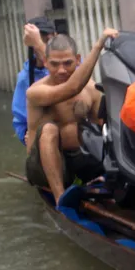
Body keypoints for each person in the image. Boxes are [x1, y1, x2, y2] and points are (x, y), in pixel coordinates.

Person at [25, 28, 118, 203]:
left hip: (78, 162)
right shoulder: (35, 92)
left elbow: (104, 131)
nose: (61, 70)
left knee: (105, 130)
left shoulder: (91, 89)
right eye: (54, 64)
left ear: (77, 60)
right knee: (50, 130)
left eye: (67, 63)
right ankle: (61, 199)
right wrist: (98, 46)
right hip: (42, 170)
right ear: (45, 62)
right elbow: (72, 88)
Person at [12, 16, 57, 145]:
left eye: (49, 40)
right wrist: (26, 135)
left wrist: (39, 44)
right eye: (41, 40)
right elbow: (20, 121)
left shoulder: (70, 63)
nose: (45, 45)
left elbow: (71, 86)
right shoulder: (25, 78)